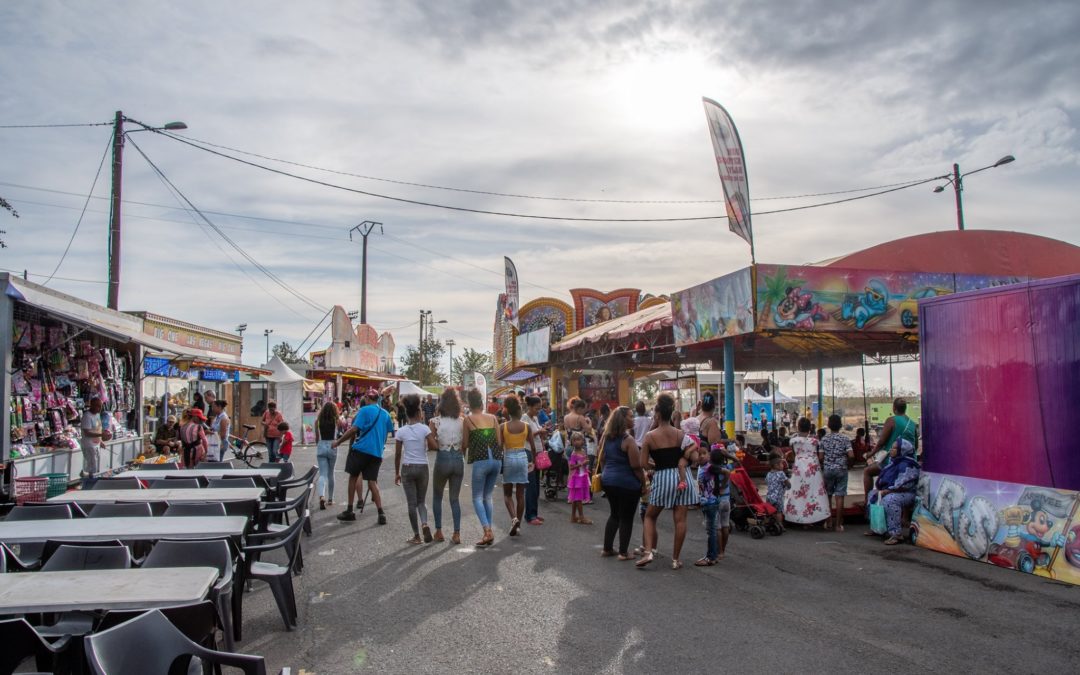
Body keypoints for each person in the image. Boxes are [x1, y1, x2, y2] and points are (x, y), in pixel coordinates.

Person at [637, 393, 699, 570]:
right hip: (683, 477)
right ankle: (675, 559)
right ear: (671, 413)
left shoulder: (650, 436)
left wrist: (655, 467)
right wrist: (684, 458)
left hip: (663, 477)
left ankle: (648, 551)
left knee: (650, 516)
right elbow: (694, 456)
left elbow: (643, 463)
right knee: (680, 520)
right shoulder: (680, 434)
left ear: (657, 414)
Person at [332, 386, 396, 524]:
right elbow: (388, 431)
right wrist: (380, 445)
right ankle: (381, 512)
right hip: (377, 453)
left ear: (367, 398)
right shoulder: (384, 413)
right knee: (372, 482)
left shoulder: (364, 410)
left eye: (365, 398)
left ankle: (350, 510)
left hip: (361, 449)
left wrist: (338, 441)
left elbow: (354, 429)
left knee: (353, 477)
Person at [599, 406, 645, 560]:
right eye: (631, 416)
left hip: (608, 481)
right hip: (627, 484)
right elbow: (636, 466)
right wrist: (644, 484)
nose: (633, 419)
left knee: (614, 515)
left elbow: (602, 458)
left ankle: (607, 549)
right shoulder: (628, 440)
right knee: (626, 517)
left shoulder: (606, 437)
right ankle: (623, 552)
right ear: (623, 419)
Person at [465, 388, 502, 547]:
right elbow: (499, 442)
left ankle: (487, 531)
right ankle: (489, 532)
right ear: (481, 403)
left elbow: (465, 444)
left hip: (481, 461)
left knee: (477, 497)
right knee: (488, 496)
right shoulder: (493, 418)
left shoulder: (468, 419)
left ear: (469, 404)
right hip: (496, 460)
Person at [395, 394, 433, 545]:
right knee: (421, 502)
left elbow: (398, 454)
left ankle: (417, 536)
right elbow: (433, 446)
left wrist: (396, 473)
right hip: (423, 467)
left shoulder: (401, 432)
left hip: (408, 467)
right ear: (419, 413)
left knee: (411, 504)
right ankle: (424, 523)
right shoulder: (424, 429)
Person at [867, 439, 921, 545]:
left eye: (894, 448)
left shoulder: (908, 464)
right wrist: (881, 490)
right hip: (893, 490)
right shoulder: (893, 462)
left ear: (902, 450)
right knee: (872, 495)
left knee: (890, 500)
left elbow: (905, 484)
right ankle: (878, 528)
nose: (891, 450)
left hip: (907, 493)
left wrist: (886, 491)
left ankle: (896, 534)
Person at [428, 388, 465, 544]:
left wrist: (440, 445)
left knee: (437, 496)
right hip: (458, 460)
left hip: (442, 459)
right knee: (455, 499)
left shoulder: (435, 421)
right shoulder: (463, 421)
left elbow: (430, 444)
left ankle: (439, 531)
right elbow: (466, 443)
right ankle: (456, 534)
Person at [862, 398, 918, 497]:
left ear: (894, 408)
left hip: (893, 462)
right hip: (909, 462)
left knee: (867, 471)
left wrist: (870, 454)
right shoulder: (912, 424)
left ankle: (867, 500)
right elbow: (915, 446)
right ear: (905, 409)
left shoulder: (891, 420)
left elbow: (881, 442)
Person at [784, 417, 830, 526]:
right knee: (814, 492)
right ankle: (815, 517)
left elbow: (794, 455)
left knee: (798, 491)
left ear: (798, 427)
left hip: (799, 467)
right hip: (813, 467)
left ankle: (798, 518)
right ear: (810, 428)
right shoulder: (814, 441)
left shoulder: (794, 441)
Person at [500, 395, 534, 537]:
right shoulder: (526, 427)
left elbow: (499, 446)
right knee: (520, 495)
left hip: (508, 458)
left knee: (507, 494)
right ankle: (518, 524)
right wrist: (534, 462)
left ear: (508, 411)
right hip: (522, 458)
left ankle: (513, 518)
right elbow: (533, 447)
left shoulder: (503, 426)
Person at [696, 448, 732, 566]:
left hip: (712, 502)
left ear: (709, 456)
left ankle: (713, 556)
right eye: (699, 454)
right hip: (715, 501)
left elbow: (727, 472)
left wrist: (722, 485)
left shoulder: (709, 467)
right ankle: (718, 553)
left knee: (714, 529)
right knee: (719, 527)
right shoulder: (706, 467)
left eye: (704, 453)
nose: (701, 456)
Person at [818, 414, 854, 531]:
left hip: (828, 470)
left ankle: (828, 522)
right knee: (839, 497)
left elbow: (821, 457)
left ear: (828, 425)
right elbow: (851, 455)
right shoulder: (845, 439)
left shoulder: (824, 439)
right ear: (840, 425)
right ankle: (838, 525)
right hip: (841, 469)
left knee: (828, 495)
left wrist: (827, 463)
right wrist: (849, 465)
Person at [522, 395, 546, 526]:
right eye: (537, 408)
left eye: (540, 408)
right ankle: (530, 515)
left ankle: (534, 513)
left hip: (537, 452)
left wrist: (542, 432)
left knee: (536, 484)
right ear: (529, 407)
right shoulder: (524, 419)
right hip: (528, 453)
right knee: (530, 485)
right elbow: (524, 436)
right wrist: (538, 432)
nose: (539, 411)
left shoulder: (535, 418)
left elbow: (535, 433)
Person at [315, 401, 340, 510]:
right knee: (331, 473)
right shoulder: (336, 420)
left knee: (322, 474)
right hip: (332, 445)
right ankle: (330, 499)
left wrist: (319, 444)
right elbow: (340, 431)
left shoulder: (318, 421)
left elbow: (317, 436)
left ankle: (321, 496)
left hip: (321, 444)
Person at [80, 396, 108, 481]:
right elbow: (87, 432)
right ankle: (87, 481)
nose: (99, 409)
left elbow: (98, 429)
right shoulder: (87, 416)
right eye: (97, 406)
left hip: (96, 444)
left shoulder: (97, 415)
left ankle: (91, 479)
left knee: (95, 466)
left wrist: (101, 441)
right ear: (91, 405)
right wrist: (101, 435)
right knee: (91, 466)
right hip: (89, 445)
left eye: (100, 406)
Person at [566, 432, 591, 524]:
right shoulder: (573, 453)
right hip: (576, 478)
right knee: (578, 498)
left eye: (578, 439)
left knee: (576, 498)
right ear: (572, 442)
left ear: (582, 441)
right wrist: (582, 464)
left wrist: (586, 465)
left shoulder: (583, 451)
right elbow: (572, 467)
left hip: (582, 476)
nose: (576, 442)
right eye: (574, 440)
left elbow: (585, 462)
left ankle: (573, 517)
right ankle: (581, 517)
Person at [765, 457, 790, 523]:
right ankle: (780, 525)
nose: (783, 465)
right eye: (781, 464)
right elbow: (787, 483)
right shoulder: (781, 473)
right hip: (778, 497)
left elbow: (767, 482)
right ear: (776, 465)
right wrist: (789, 486)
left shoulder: (768, 474)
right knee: (779, 512)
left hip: (769, 496)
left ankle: (769, 523)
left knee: (770, 511)